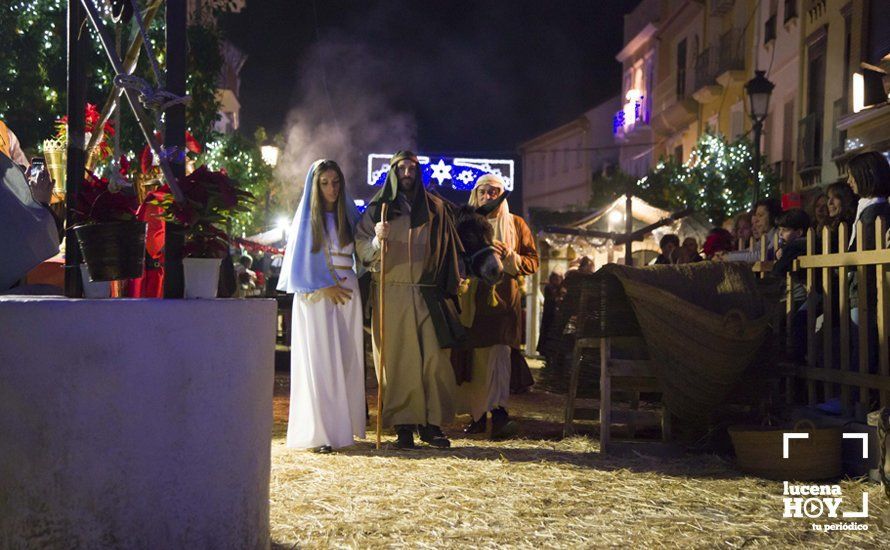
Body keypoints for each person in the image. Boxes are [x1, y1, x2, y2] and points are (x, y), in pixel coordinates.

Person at [355, 150, 464, 450]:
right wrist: (378, 239)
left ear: (418, 171)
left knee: (433, 361)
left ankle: (431, 426)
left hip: (428, 291)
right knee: (398, 361)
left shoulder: (437, 209)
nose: (406, 172)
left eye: (411, 167)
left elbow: (449, 249)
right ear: (392, 173)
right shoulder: (379, 209)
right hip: (391, 292)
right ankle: (403, 426)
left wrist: (452, 283)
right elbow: (362, 250)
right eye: (401, 168)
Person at [277, 159, 366, 452]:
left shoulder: (350, 217)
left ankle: (343, 431)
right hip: (316, 297)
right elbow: (299, 265)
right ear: (315, 186)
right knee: (321, 363)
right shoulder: (306, 221)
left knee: (346, 360)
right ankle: (321, 434)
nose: (331, 188)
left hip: (347, 296)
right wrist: (323, 285)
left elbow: (366, 252)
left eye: (336, 182)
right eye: (325, 183)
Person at [453, 174, 539, 439]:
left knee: (500, 356)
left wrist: (510, 256)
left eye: (494, 192)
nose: (488, 197)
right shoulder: (465, 225)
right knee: (476, 359)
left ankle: (500, 414)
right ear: (476, 194)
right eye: (484, 191)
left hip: (503, 301)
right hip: (472, 300)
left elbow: (533, 262)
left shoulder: (516, 224)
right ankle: (477, 416)